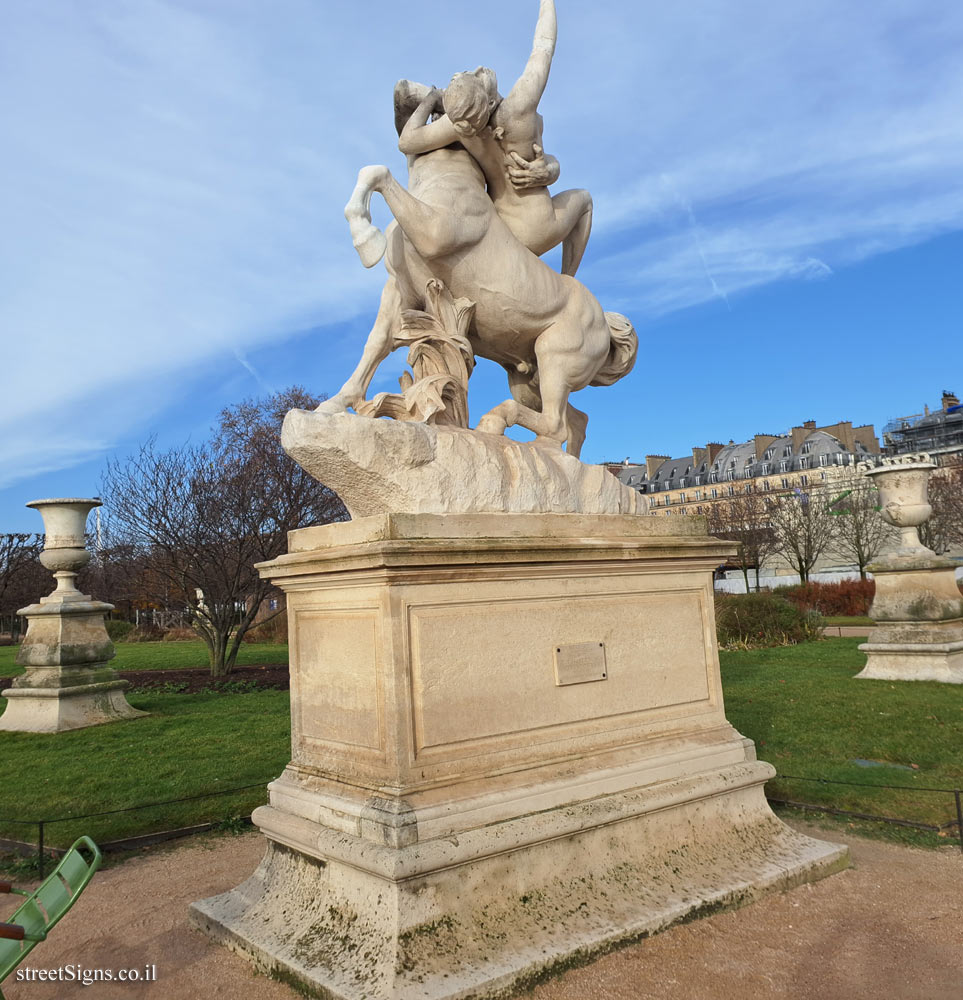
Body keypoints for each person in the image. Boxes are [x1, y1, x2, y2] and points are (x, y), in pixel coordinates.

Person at [396, 0, 592, 277]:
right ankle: (568, 279)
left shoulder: (460, 127)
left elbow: (406, 142)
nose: (478, 70)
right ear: (487, 103)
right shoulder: (518, 109)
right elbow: (544, 46)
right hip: (539, 226)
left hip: (503, 233)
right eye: (475, 77)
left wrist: (430, 99)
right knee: (584, 200)